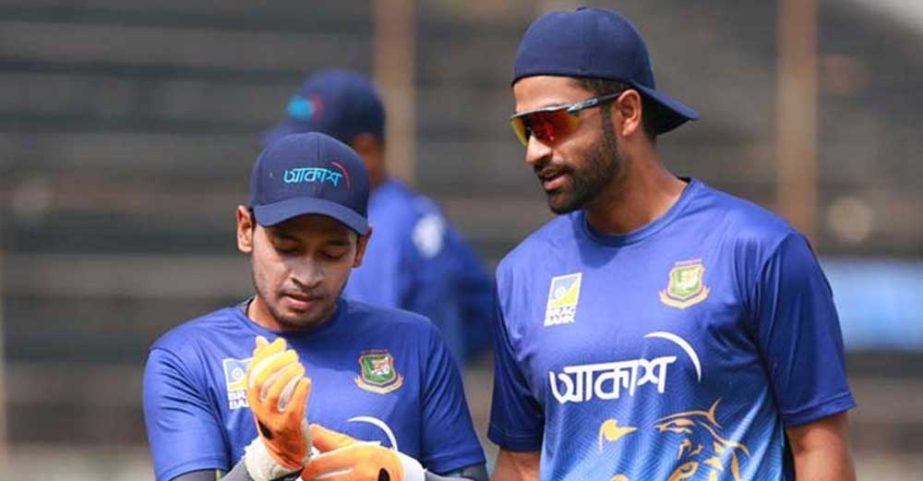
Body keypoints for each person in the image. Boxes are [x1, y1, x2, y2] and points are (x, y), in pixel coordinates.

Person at [488, 7, 856, 481]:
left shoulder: (758, 250)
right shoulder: (523, 275)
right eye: (526, 129)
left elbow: (818, 448)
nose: (534, 151)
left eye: (552, 124)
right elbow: (521, 464)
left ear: (626, 113)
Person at [143, 132, 488, 481]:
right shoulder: (188, 359)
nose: (307, 275)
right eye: (287, 248)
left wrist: (405, 476)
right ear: (246, 229)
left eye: (331, 253)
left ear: (361, 248)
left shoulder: (416, 343)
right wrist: (265, 463)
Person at [263, 69, 495, 366]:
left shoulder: (368, 231)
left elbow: (354, 355)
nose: (297, 170)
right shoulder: (415, 212)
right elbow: (483, 311)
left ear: (365, 150)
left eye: (313, 161)